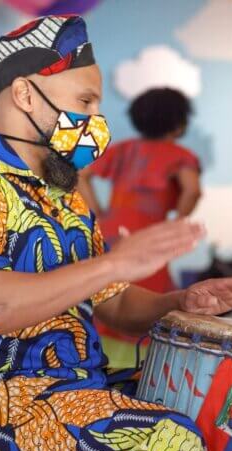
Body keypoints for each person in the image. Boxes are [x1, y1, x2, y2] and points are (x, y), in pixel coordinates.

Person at [0, 16, 232, 451]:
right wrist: (113, 264)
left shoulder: (66, 197)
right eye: (85, 101)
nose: (95, 120)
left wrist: (179, 301)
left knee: (222, 412)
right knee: (169, 441)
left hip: (77, 384)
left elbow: (112, 304)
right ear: (24, 95)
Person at [77, 87, 201, 367]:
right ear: (180, 123)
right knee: (146, 304)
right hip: (148, 238)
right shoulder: (180, 155)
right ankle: (139, 372)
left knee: (103, 297)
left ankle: (96, 365)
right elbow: (191, 191)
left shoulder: (123, 149)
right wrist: (176, 224)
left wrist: (99, 212)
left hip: (109, 232)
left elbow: (81, 175)